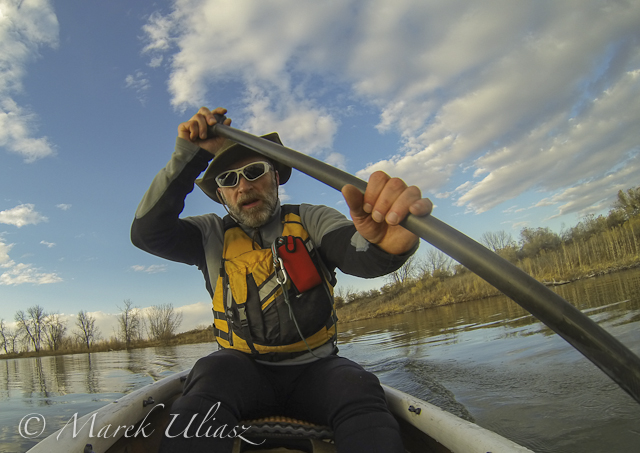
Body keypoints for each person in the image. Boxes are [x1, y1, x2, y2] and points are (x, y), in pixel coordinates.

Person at [131, 106, 432, 452]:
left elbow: (357, 253)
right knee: (209, 375)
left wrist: (385, 245)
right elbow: (147, 233)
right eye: (228, 180)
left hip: (316, 371)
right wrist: (191, 155)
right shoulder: (209, 234)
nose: (243, 186)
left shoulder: (311, 219)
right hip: (240, 372)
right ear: (222, 196)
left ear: (275, 177)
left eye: (254, 171)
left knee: (358, 386)